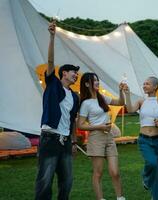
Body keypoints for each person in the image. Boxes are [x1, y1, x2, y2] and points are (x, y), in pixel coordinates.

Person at [35, 21, 80, 200]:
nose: (76, 74)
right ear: (63, 74)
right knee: (45, 180)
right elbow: (51, 61)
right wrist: (52, 37)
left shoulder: (74, 96)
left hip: (66, 141)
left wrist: (74, 142)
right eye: (72, 72)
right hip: (50, 139)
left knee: (67, 181)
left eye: (76, 73)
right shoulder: (53, 84)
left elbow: (72, 120)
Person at [77, 72, 127, 200]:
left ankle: (120, 197)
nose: (97, 82)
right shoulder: (85, 103)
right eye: (94, 80)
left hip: (109, 137)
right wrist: (99, 126)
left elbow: (121, 102)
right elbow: (81, 125)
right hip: (96, 138)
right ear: (87, 84)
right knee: (98, 173)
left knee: (115, 172)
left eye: (97, 80)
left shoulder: (102, 98)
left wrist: (121, 91)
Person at [124, 76, 158, 200]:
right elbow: (130, 109)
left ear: (155, 86)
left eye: (147, 84)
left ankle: (155, 197)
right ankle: (146, 178)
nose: (144, 86)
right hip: (144, 140)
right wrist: (127, 94)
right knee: (153, 163)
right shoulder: (141, 101)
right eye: (144, 84)